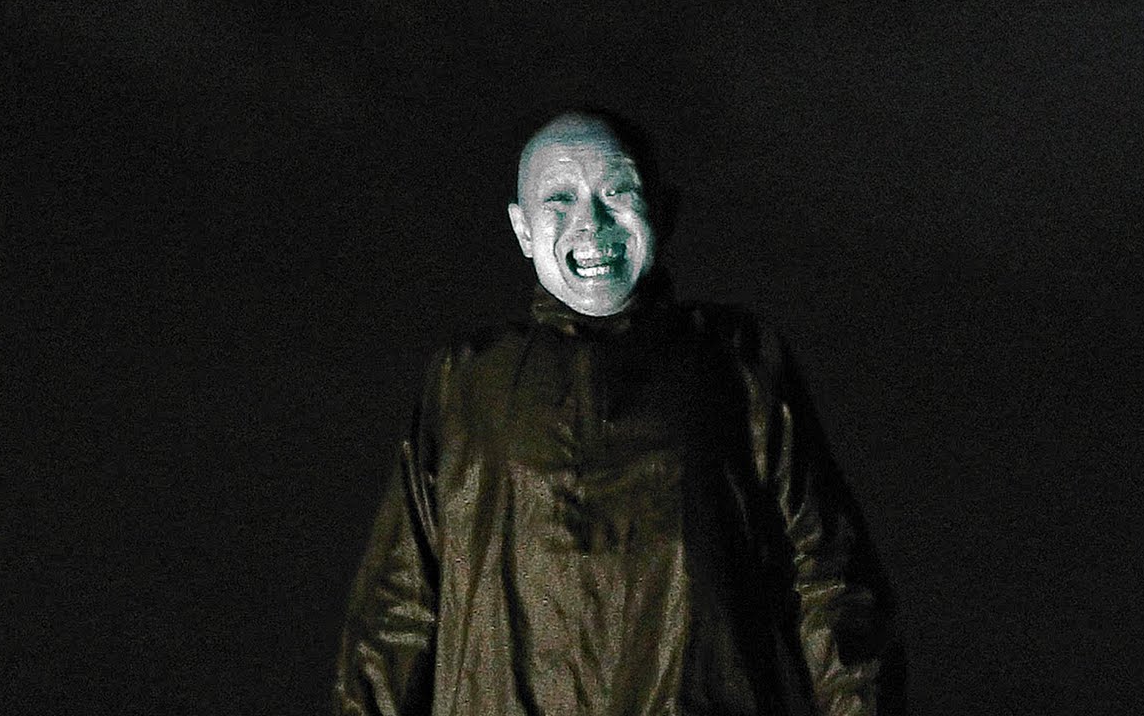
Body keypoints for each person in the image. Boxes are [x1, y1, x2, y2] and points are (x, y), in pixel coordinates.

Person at [334, 112, 895, 715]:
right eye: (560, 201)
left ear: (663, 211)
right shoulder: (468, 381)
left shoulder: (737, 362)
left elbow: (830, 582)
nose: (591, 223)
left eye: (617, 193)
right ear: (523, 230)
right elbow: (397, 611)